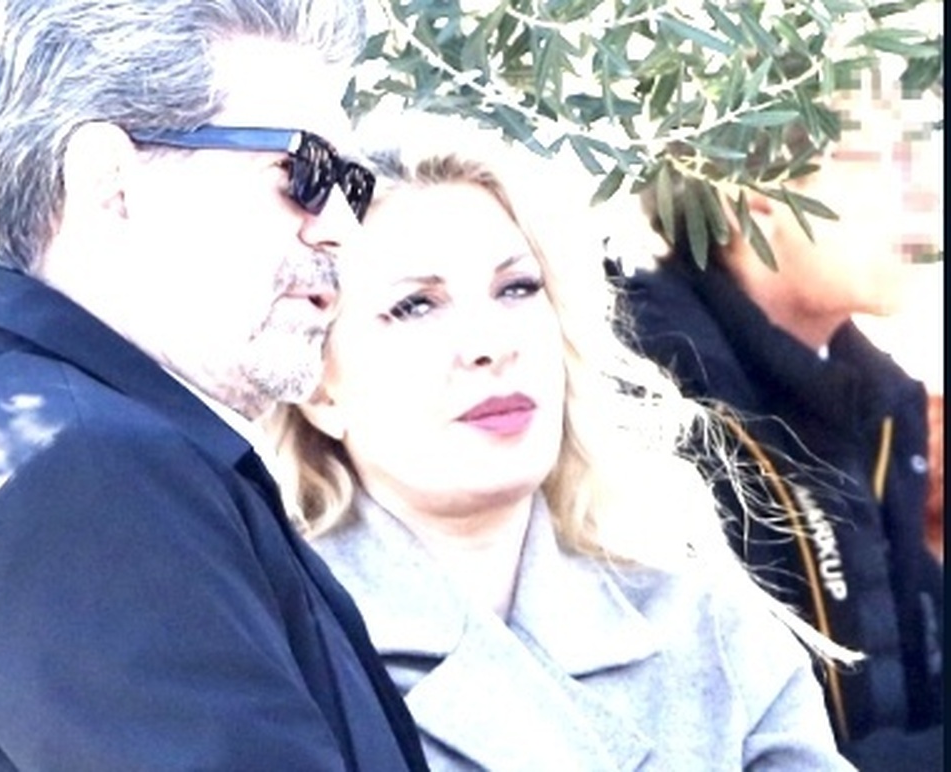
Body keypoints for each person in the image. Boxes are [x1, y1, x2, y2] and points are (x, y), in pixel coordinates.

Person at [0, 2, 429, 770]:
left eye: (352, 185)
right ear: (110, 183)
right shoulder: (78, 472)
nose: (340, 227)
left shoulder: (15, 434)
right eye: (304, 171)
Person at [267, 111, 857, 770]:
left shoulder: (707, 624)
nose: (492, 344)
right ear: (317, 387)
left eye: (516, 289)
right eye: (416, 305)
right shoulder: (270, 642)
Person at [619, 83, 944, 769]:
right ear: (755, 191)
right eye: (889, 159)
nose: (927, 193)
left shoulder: (884, 401)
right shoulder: (654, 396)